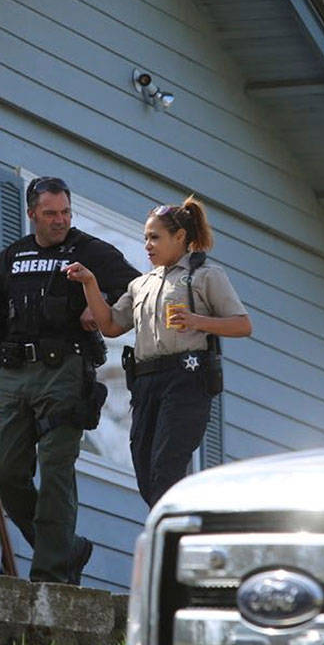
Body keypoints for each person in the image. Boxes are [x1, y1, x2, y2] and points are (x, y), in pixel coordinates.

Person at [0, 176, 139, 584]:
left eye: (66, 212)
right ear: (31, 214)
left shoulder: (90, 251)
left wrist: (101, 303)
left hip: (65, 372)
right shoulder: (9, 259)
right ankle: (65, 549)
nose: (60, 221)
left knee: (56, 469)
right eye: (50, 213)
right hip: (13, 376)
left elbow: (135, 288)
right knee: (3, 469)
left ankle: (50, 576)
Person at [65, 197, 251, 506]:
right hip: (146, 383)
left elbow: (242, 325)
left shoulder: (205, 275)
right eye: (145, 238)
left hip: (185, 380)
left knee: (166, 469)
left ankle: (175, 530)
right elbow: (110, 326)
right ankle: (176, 525)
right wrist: (90, 283)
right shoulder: (141, 284)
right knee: (145, 471)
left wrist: (197, 321)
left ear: (180, 237)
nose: (148, 245)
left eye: (155, 237)